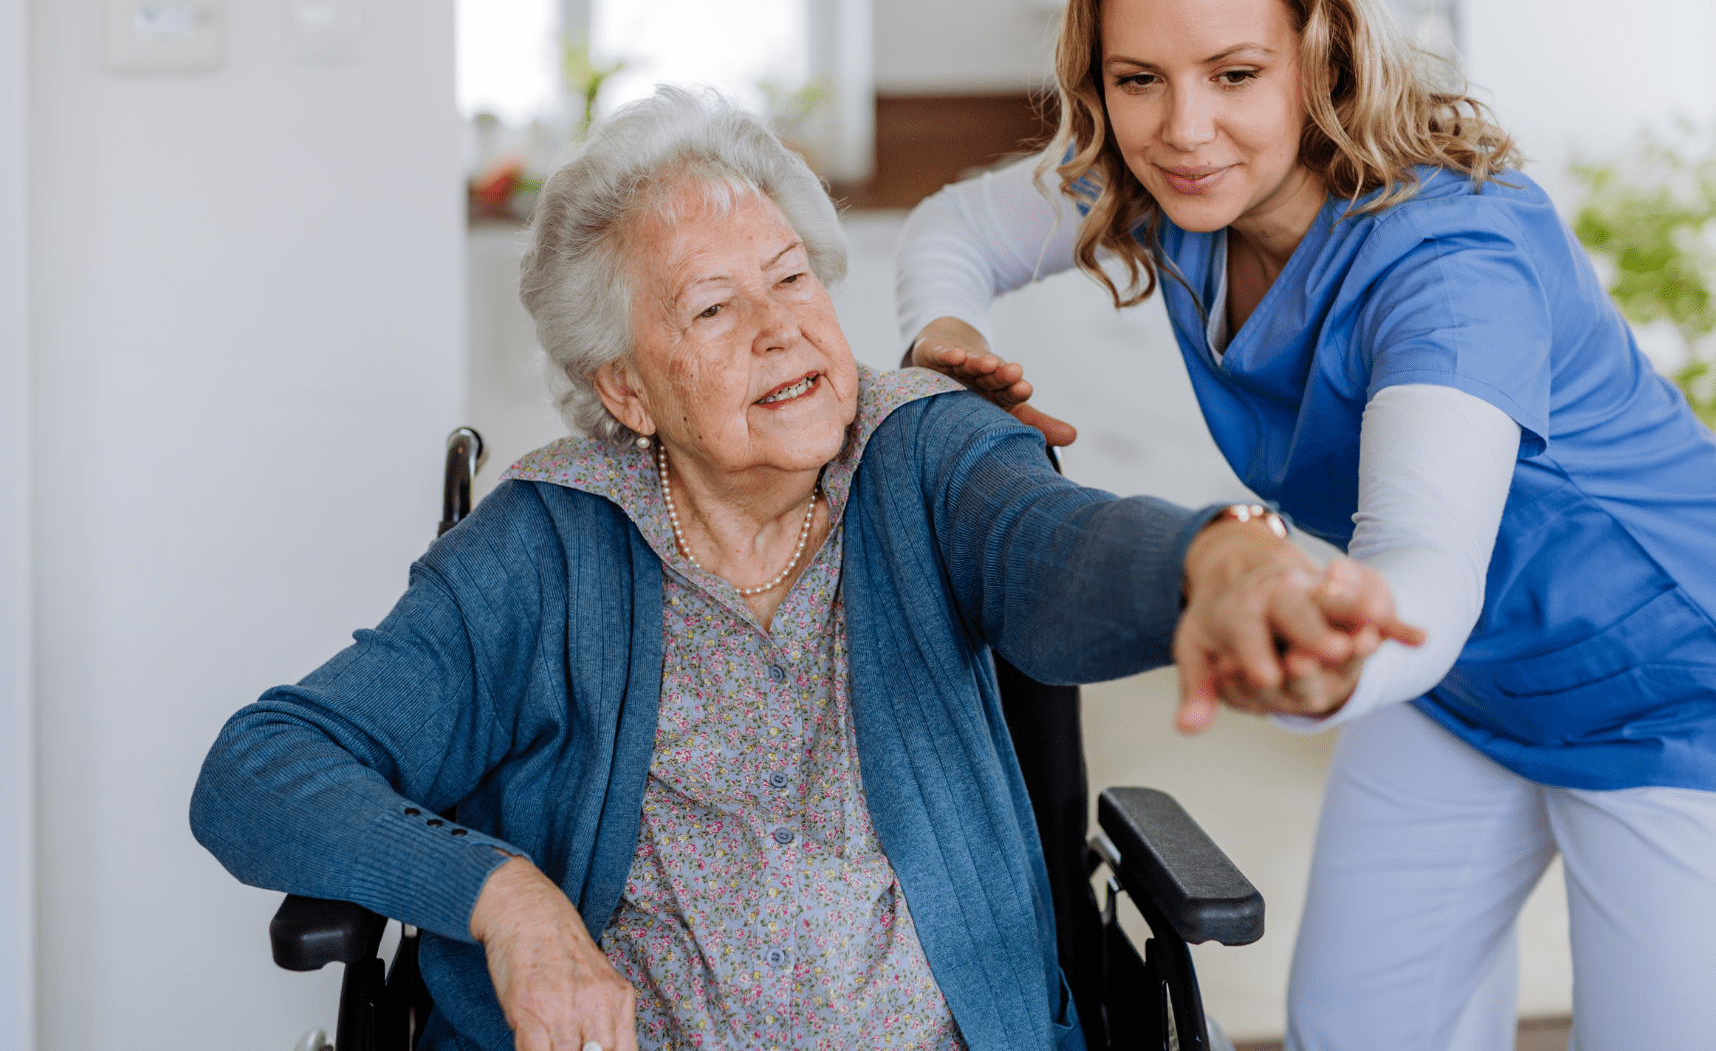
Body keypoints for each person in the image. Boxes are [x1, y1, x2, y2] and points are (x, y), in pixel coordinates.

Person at [190, 87, 1409, 1051]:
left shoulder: (924, 450)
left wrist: (1215, 564)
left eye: (790, 278)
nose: (783, 328)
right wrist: (503, 899)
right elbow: (258, 771)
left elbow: (1055, 546)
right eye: (713, 310)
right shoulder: (545, 545)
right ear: (626, 387)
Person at [894, 0, 1716, 1048]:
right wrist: (946, 336)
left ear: (1321, 55)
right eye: (1139, 80)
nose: (1184, 129)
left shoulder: (1452, 265)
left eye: (1235, 73)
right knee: (1356, 1027)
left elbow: (1423, 562)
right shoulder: (1168, 191)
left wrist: (1325, 660)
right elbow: (955, 225)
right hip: (1462, 690)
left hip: (1668, 687)